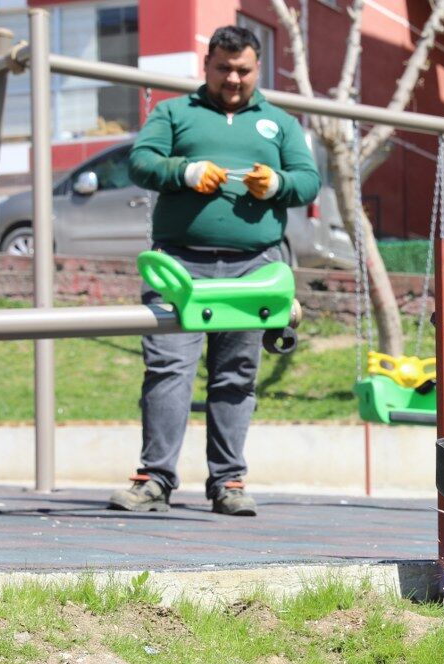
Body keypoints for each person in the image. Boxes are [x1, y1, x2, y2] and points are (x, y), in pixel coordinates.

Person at [109, 26, 319, 517]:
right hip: (179, 262)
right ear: (206, 65)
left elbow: (309, 181)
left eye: (243, 69)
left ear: (257, 68)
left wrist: (277, 184)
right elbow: (140, 161)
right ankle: (154, 479)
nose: (233, 78)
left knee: (236, 376)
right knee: (167, 368)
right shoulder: (174, 112)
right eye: (223, 68)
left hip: (254, 268)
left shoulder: (280, 123)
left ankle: (229, 482)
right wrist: (183, 172)